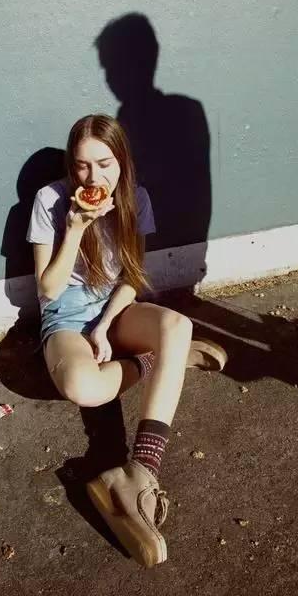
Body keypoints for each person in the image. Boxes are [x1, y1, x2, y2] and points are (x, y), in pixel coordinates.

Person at [26, 113, 226, 568]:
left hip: (113, 311)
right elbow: (47, 289)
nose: (92, 177)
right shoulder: (50, 200)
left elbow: (133, 278)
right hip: (66, 317)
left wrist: (106, 325)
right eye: (82, 165)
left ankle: (142, 471)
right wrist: (76, 227)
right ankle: (162, 362)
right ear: (70, 165)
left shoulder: (137, 199)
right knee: (84, 387)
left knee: (178, 326)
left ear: (122, 162)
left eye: (104, 164)